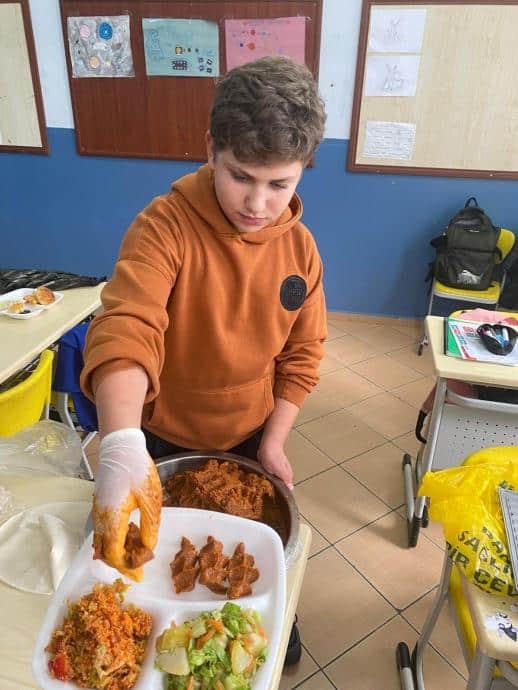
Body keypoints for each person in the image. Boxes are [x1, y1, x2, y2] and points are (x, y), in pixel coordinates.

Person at [81, 55, 327, 662]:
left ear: (303, 171)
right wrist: (122, 443)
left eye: (280, 185)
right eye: (241, 176)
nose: (258, 203)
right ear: (211, 149)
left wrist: (275, 441)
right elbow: (128, 327)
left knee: (258, 597)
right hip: (160, 443)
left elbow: (303, 355)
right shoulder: (164, 227)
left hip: (250, 440)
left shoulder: (301, 250)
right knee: (157, 580)